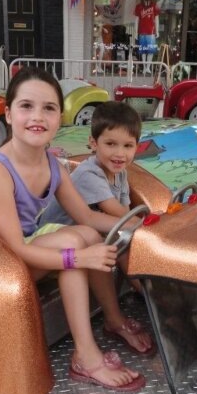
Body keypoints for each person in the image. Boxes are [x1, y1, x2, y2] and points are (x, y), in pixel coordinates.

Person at [0, 67, 153, 392]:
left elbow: (89, 217)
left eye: (49, 108)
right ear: (8, 114)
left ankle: (112, 318)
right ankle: (86, 357)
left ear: (59, 118)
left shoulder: (51, 163)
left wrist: (145, 227)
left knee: (87, 234)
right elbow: (15, 249)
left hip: (22, 250)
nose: (37, 116)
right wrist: (79, 259)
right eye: (27, 106)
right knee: (75, 242)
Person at [39, 101, 147, 296]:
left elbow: (126, 211)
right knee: (122, 239)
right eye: (111, 144)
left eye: (128, 146)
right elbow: (118, 212)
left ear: (136, 147)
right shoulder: (90, 173)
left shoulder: (120, 173)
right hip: (56, 241)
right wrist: (147, 225)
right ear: (94, 142)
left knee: (127, 237)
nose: (119, 154)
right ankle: (147, 294)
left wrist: (143, 225)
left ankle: (150, 289)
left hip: (85, 233)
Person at [134, 0, 160, 75]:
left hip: (151, 32)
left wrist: (157, 30)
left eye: (148, 0)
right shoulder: (139, 7)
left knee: (150, 51)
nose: (146, 2)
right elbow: (136, 20)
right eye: (145, 0)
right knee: (143, 51)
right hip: (142, 32)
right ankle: (145, 67)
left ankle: (148, 67)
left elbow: (157, 19)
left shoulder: (154, 6)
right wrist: (135, 32)